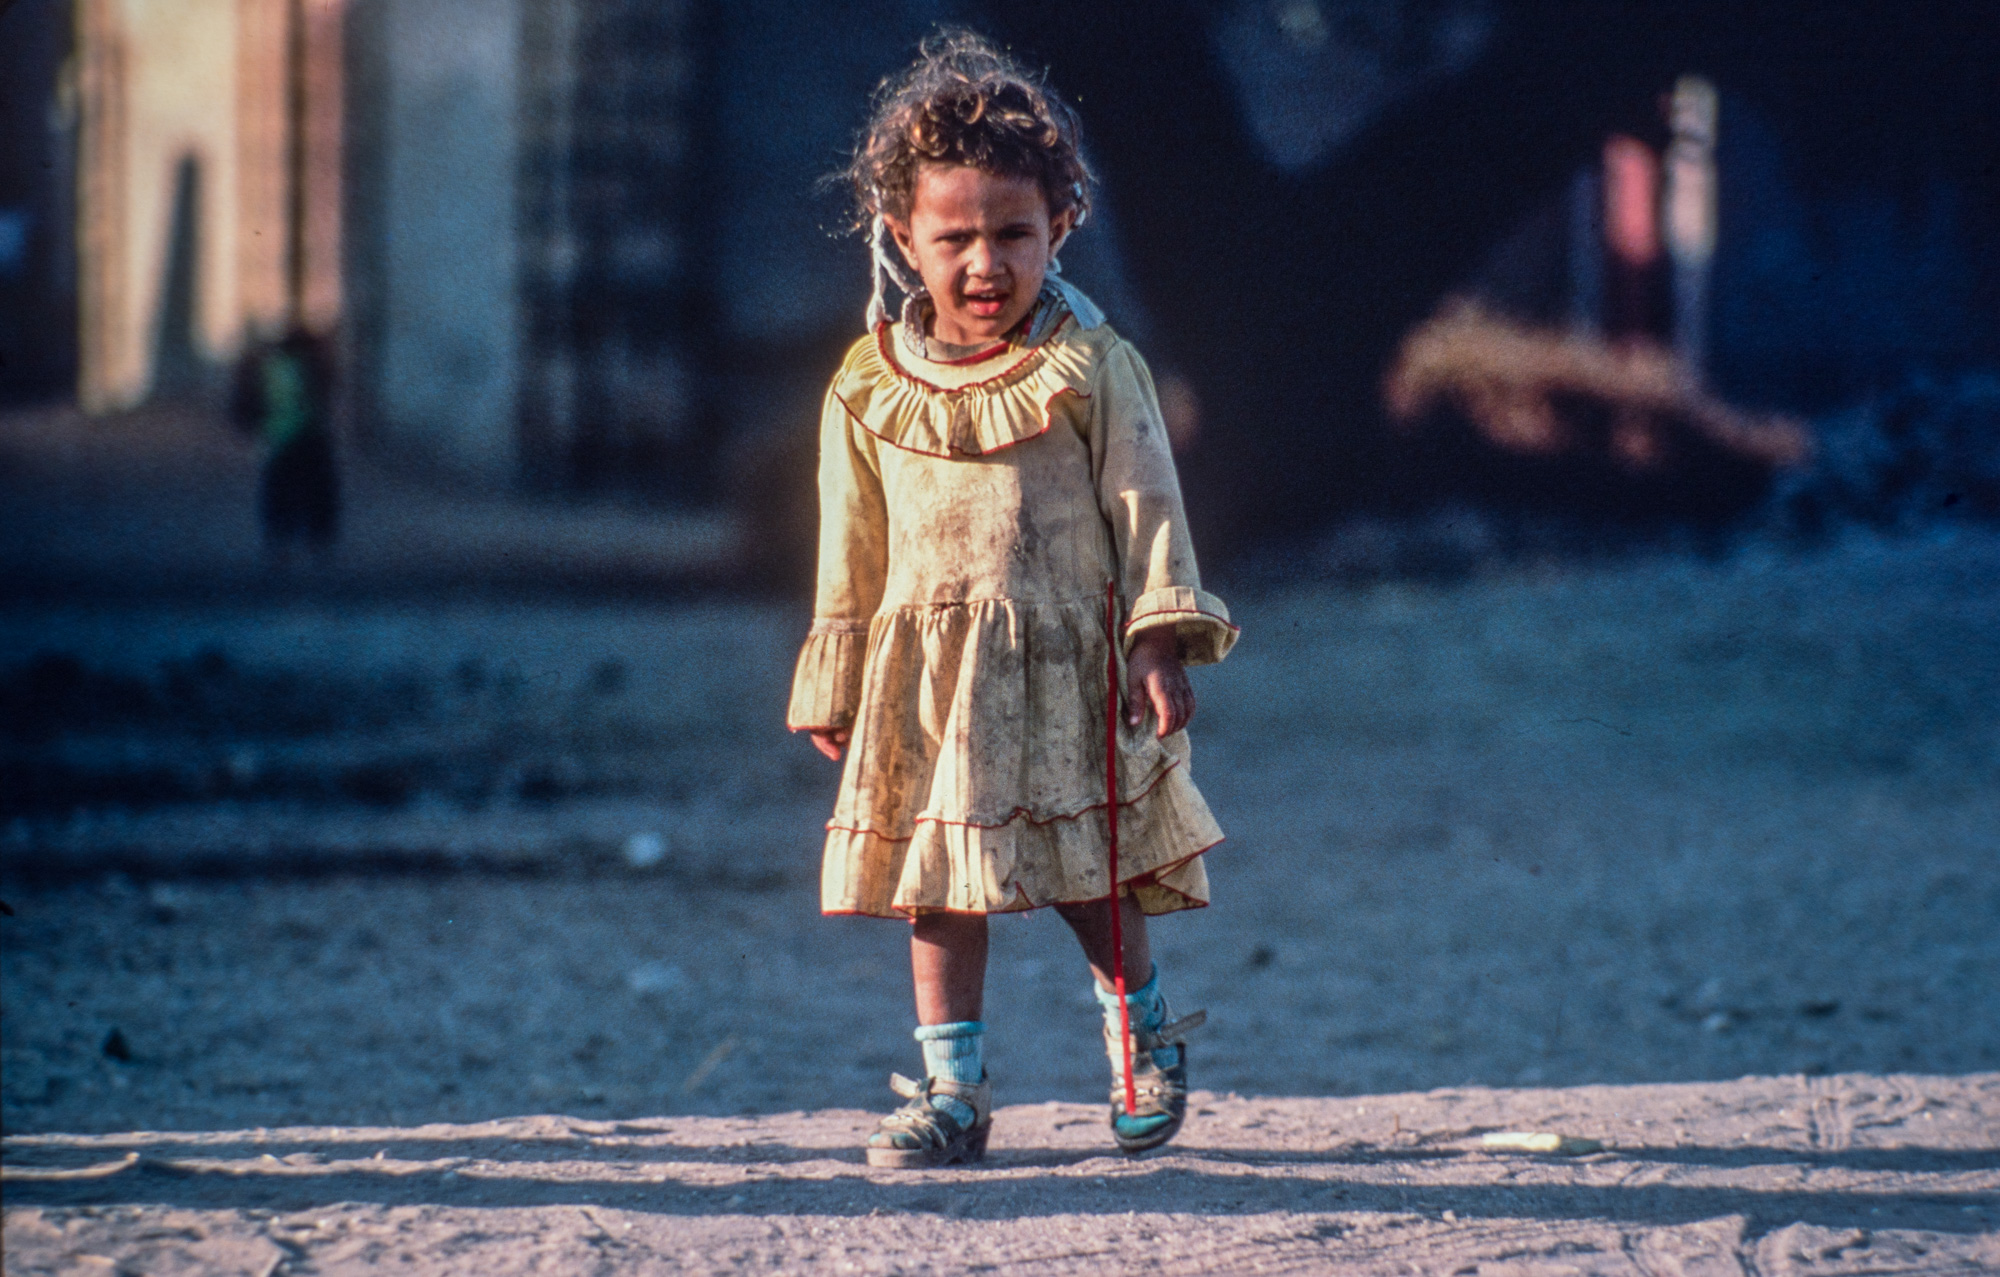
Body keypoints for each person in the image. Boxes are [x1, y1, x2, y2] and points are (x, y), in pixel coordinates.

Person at [787, 32, 1238, 1167]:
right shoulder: (865, 381)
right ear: (902, 237)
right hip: (928, 681)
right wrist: (834, 671)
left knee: (1093, 876)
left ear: (1059, 228)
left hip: (1065, 667)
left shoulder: (1091, 367)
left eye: (1012, 235)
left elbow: (1147, 508)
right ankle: (950, 1092)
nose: (983, 263)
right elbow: (850, 541)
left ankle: (1139, 1050)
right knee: (939, 889)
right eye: (954, 238)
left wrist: (1155, 641)